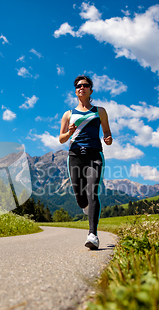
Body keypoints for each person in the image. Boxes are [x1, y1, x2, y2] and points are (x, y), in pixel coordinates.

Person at [59, 75, 113, 250]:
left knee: (92, 192)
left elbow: (107, 132)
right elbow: (61, 138)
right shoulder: (68, 114)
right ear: (75, 91)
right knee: (80, 197)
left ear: (91, 90)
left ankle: (93, 235)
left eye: (85, 85)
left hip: (94, 154)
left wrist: (108, 138)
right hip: (75, 155)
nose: (81, 87)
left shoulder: (100, 111)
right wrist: (69, 133)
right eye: (78, 86)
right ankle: (86, 207)